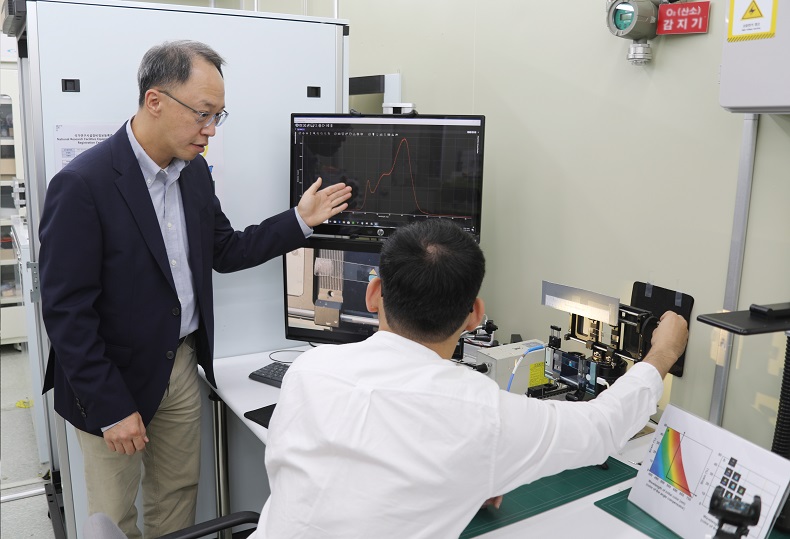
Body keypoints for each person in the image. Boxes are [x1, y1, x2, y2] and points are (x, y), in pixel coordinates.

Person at [39, 40, 351, 539]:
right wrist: (111, 407)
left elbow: (225, 250)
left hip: (180, 363)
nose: (210, 129)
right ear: (155, 101)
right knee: (113, 517)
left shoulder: (194, 173)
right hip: (110, 376)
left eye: (217, 116)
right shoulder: (83, 183)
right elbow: (66, 310)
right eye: (203, 114)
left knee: (177, 498)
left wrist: (299, 220)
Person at [253, 219, 689, 538]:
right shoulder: (481, 413)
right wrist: (664, 352)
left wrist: (459, 479)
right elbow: (603, 428)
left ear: (373, 294)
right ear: (475, 315)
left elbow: (347, 479)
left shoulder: (308, 371)